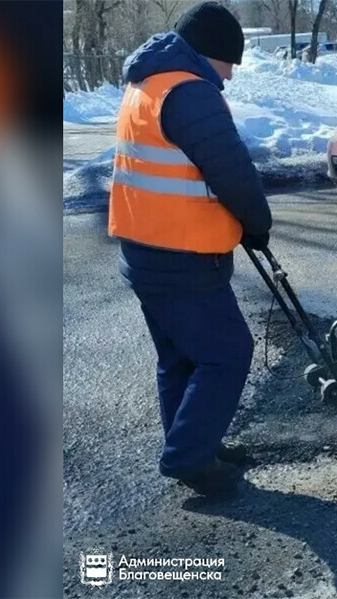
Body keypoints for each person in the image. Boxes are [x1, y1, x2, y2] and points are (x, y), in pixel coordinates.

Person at [108, 2, 272, 495]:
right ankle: (190, 457)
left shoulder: (148, 83)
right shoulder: (190, 91)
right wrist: (256, 224)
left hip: (145, 248)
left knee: (180, 357)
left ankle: (195, 443)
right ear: (212, 54)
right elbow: (232, 171)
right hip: (182, 257)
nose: (231, 76)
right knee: (227, 354)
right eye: (230, 64)